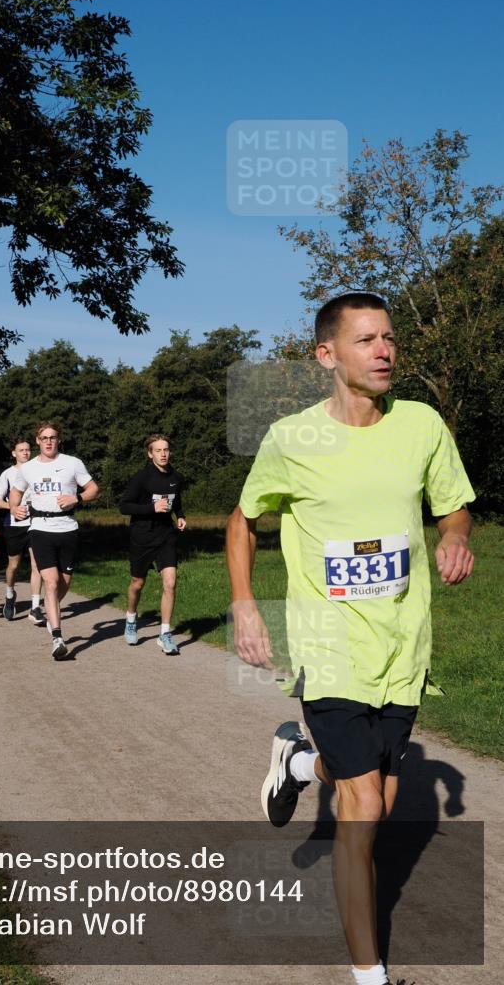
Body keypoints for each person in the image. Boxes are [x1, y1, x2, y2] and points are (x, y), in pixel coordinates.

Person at [226, 292, 475, 985]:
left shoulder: (422, 425)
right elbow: (245, 521)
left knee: (383, 802)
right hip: (326, 643)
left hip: (401, 644)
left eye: (389, 337)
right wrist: (246, 605)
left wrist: (455, 537)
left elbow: (454, 507)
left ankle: (298, 764)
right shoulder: (290, 438)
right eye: (366, 340)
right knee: (363, 806)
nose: (385, 350)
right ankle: (370, 976)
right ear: (326, 354)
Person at [8, 421, 100, 660]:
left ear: (59, 440)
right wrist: (14, 508)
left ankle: (51, 610)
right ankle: (58, 637)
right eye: (44, 437)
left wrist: (76, 498)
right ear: (37, 441)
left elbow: (93, 489)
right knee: (49, 583)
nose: (49, 441)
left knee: (63, 584)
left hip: (68, 528)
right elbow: (15, 493)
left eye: (53, 437)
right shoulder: (27, 468)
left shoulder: (72, 463)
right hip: (40, 528)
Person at [118, 434, 187, 654]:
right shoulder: (141, 478)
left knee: (170, 582)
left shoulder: (176, 476)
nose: (163, 454)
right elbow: (124, 506)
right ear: (150, 454)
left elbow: (177, 501)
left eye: (166, 450)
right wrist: (151, 508)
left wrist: (181, 515)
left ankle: (165, 633)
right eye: (158, 450)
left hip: (166, 535)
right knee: (137, 583)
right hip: (142, 536)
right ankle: (131, 619)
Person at [0, 436, 44, 623]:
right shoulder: (7, 474)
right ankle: (9, 594)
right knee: (13, 566)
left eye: (28, 449)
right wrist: (12, 508)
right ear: (14, 453)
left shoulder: (38, 471)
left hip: (36, 523)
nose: (25, 453)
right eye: (21, 450)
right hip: (14, 525)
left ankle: (36, 607)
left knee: (37, 565)